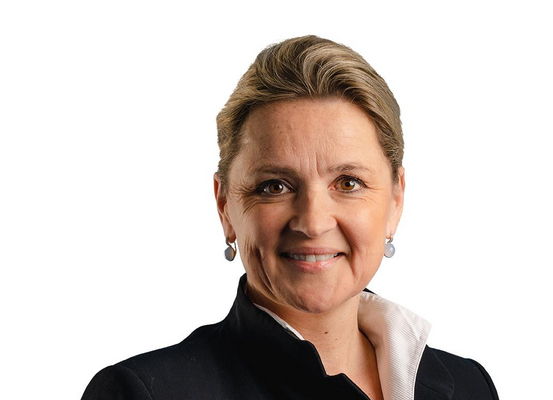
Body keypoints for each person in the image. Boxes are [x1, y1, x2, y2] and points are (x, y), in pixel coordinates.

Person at [81, 35, 498, 400]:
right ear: (225, 206)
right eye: (274, 186)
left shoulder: (470, 385)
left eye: (348, 183)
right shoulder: (144, 393)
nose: (313, 223)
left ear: (395, 200)